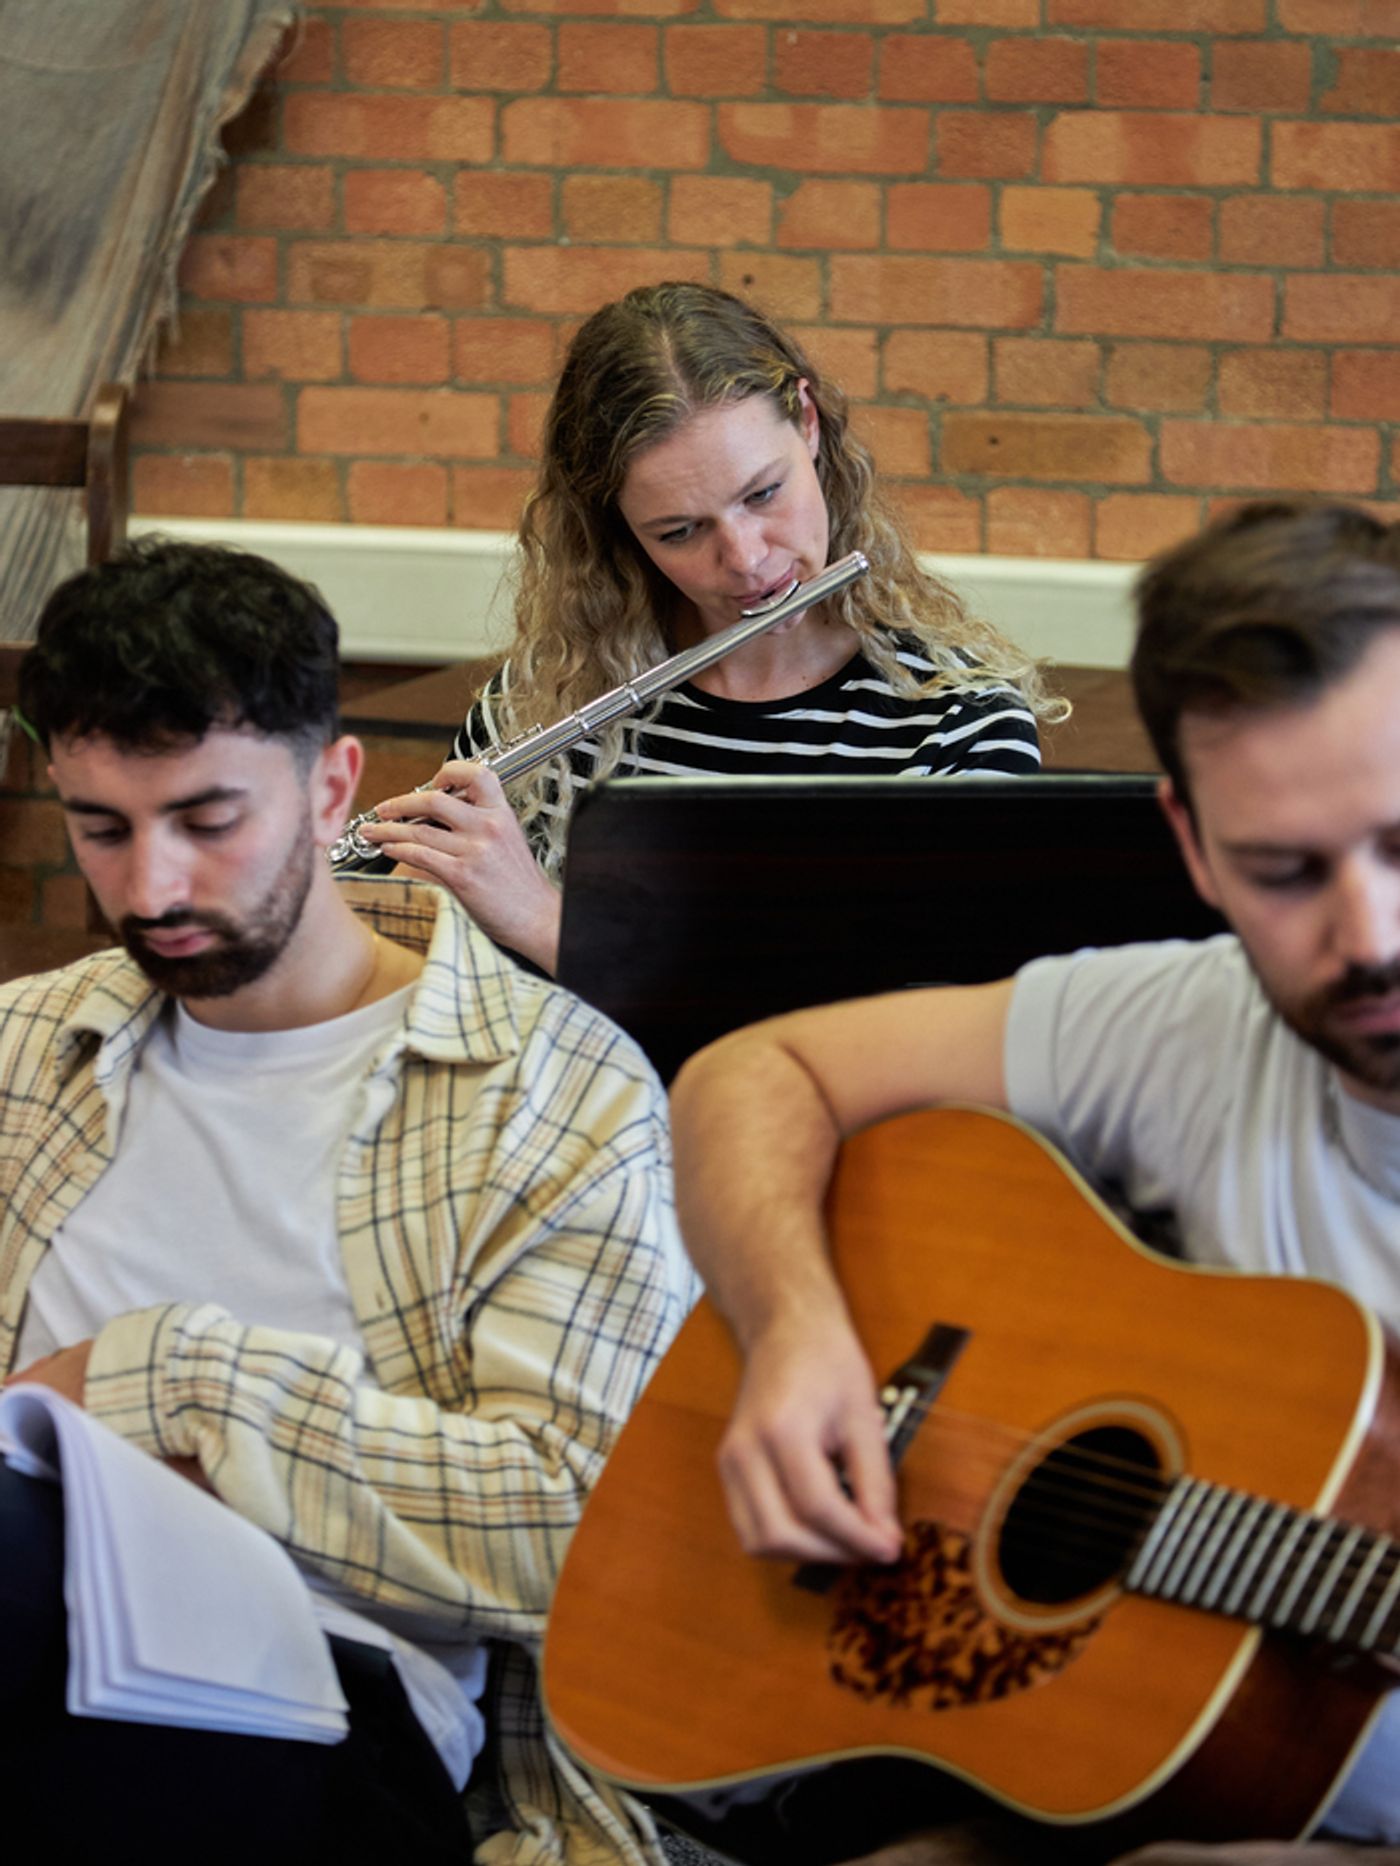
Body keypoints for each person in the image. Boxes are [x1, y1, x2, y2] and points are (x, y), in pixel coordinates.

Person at [666, 500, 1400, 1860]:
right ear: (1192, 847)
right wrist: (793, 1333)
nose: (1370, 935)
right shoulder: (1189, 1020)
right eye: (1284, 871)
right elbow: (753, 1075)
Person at [0, 538, 695, 1865]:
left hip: (331, 1711)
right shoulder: (23, 1051)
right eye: (102, 828)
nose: (150, 887)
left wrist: (175, 1379)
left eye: (209, 820)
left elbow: (584, 1526)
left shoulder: (556, 1092)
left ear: (333, 790)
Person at [351, 282, 1057, 975]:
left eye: (764, 493)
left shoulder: (959, 722)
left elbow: (917, 1034)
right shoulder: (539, 700)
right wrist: (406, 922)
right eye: (681, 531)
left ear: (807, 423)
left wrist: (544, 922)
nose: (746, 559)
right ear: (619, 531)